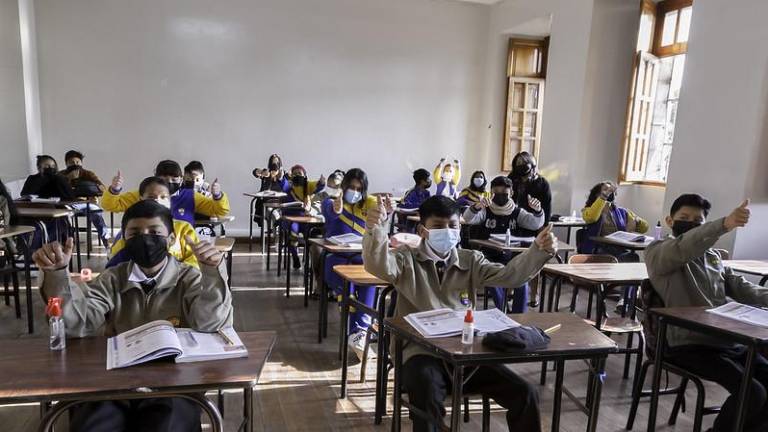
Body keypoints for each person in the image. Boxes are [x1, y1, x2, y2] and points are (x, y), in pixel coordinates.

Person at [33, 199, 231, 432]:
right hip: (114, 382)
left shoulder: (189, 278)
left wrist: (211, 273)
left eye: (154, 232)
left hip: (174, 385)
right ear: (125, 239)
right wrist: (57, 274)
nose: (145, 238)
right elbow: (75, 324)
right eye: (134, 233)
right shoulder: (112, 278)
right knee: (93, 424)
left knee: (166, 425)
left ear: (170, 239)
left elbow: (211, 324)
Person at [363, 195, 556, 432]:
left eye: (452, 225)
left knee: (525, 392)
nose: (447, 232)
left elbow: (510, 276)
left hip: (466, 354)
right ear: (423, 230)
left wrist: (538, 250)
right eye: (438, 226)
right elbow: (378, 265)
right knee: (426, 393)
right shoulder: (406, 259)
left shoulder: (470, 260)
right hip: (420, 354)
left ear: (460, 226)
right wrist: (376, 229)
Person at [646, 195, 768, 432]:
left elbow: (741, 286)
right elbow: (685, 247)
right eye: (684, 218)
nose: (691, 223)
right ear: (670, 221)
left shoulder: (712, 257)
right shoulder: (658, 252)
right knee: (752, 392)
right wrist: (724, 225)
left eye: (697, 221)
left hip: (724, 339)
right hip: (687, 344)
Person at [463, 176, 544, 312]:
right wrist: (477, 206)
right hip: (489, 256)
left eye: (504, 193)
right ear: (491, 192)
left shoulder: (517, 212)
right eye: (497, 192)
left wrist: (537, 210)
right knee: (493, 280)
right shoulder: (485, 210)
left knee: (522, 279)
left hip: (512, 257)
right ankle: (503, 310)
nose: (500, 196)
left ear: (511, 193)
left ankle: (519, 314)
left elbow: (536, 223)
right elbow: (467, 218)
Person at [321, 168, 378, 359]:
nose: (354, 191)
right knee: (349, 289)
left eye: (359, 188)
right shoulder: (331, 202)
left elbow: (378, 211)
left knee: (370, 278)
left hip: (359, 258)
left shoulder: (368, 203)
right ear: (344, 187)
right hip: (335, 260)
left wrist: (384, 214)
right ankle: (359, 332)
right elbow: (330, 211)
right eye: (351, 187)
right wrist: (337, 209)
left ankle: (358, 331)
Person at [107, 177, 199, 269]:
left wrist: (173, 274)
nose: (157, 201)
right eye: (151, 197)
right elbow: (115, 265)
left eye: (163, 197)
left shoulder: (184, 228)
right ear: (141, 199)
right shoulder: (131, 230)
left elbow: (194, 260)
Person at [103, 160, 230, 226]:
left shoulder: (190, 196)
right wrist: (114, 189)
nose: (169, 182)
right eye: (164, 179)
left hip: (182, 248)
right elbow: (112, 205)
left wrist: (218, 196)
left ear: (181, 179)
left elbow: (219, 210)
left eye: (174, 179)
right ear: (155, 177)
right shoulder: (144, 193)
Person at [507, 152, 551, 307]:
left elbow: (546, 209)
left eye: (524, 164)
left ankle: (533, 294)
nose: (521, 167)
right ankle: (511, 290)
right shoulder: (512, 180)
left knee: (533, 260)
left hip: (534, 225)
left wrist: (543, 230)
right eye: (518, 164)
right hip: (515, 225)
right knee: (514, 259)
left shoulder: (541, 183)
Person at [579, 180, 649, 256]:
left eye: (611, 191)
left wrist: (636, 220)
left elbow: (645, 228)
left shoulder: (622, 212)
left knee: (632, 256)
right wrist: (604, 197)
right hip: (596, 248)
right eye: (605, 190)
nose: (609, 193)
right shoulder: (588, 210)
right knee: (624, 257)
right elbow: (592, 218)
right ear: (597, 194)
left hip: (617, 248)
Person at [60, 150, 109, 246]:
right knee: (62, 215)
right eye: (71, 162)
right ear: (66, 164)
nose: (75, 164)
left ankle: (106, 241)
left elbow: (103, 188)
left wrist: (94, 191)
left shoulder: (88, 174)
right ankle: (68, 240)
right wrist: (68, 178)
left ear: (81, 163)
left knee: (96, 213)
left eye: (77, 162)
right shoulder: (61, 175)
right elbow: (56, 190)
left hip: (86, 202)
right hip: (68, 203)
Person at [281, 164, 325, 269]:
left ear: (305, 175)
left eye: (299, 173)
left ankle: (310, 261)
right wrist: (284, 176)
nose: (297, 175)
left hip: (306, 220)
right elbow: (282, 183)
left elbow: (319, 186)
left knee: (312, 234)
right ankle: (295, 256)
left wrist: (322, 182)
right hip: (291, 219)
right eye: (295, 174)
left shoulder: (308, 185)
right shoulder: (289, 187)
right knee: (292, 232)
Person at [0, 179, 19, 256]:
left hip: (2, 248)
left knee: (2, 256)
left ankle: (6, 254)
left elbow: (4, 227)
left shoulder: (2, 200)